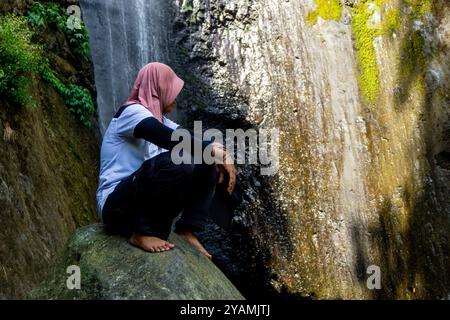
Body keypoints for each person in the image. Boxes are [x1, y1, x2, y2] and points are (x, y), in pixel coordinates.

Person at [95, 62, 236, 259]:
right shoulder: (131, 112)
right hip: (115, 208)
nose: (175, 98)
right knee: (180, 158)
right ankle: (142, 233)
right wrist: (211, 150)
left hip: (139, 204)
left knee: (205, 162)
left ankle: (187, 229)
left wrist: (220, 154)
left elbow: (190, 140)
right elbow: (167, 138)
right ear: (159, 88)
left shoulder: (161, 120)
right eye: (173, 89)